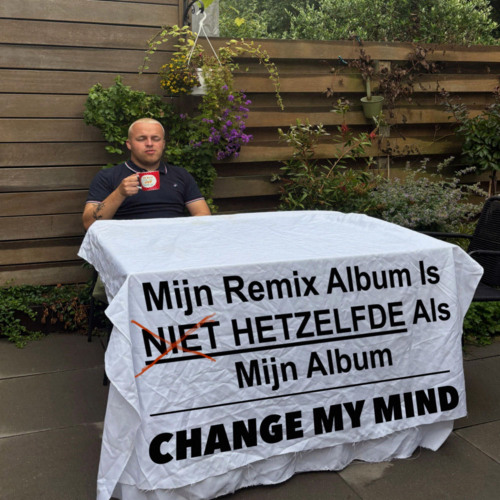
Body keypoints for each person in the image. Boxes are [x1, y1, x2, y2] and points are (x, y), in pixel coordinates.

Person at [82, 117, 211, 230]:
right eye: (141, 139)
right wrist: (119, 193)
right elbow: (89, 224)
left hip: (174, 243)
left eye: (155, 139)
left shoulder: (181, 175)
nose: (149, 144)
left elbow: (203, 216)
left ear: (163, 144)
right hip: (127, 245)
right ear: (129, 144)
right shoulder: (108, 177)